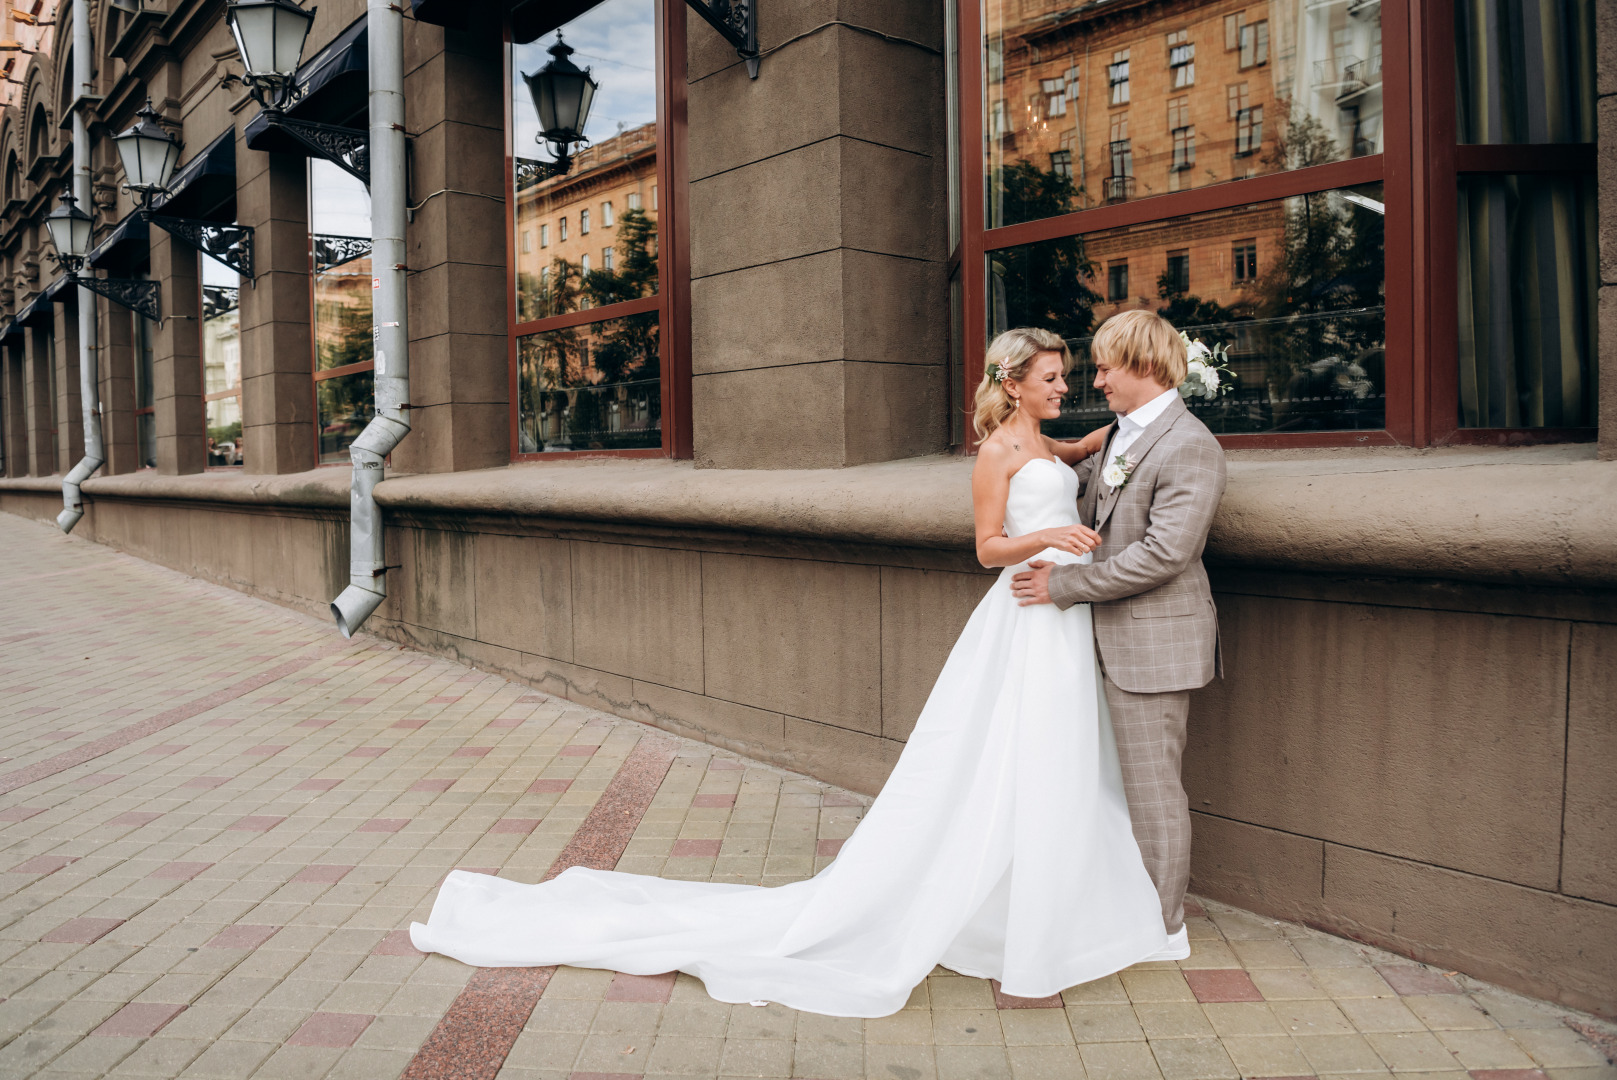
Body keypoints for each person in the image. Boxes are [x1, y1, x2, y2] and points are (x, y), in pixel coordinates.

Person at [409, 326, 1177, 1018]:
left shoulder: (1050, 446)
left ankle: (1037, 910)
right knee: (1012, 755)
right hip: (1023, 608)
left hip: (1061, 616)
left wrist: (1130, 424)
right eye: (1050, 377)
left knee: (1055, 760)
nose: (1063, 387)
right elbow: (984, 548)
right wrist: (1045, 533)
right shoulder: (999, 453)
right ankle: (1002, 924)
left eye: (1067, 378)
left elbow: (1091, 457)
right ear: (1012, 384)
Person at [1011, 309, 1228, 961]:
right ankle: (1112, 910)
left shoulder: (1190, 444)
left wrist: (1063, 586)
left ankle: (1162, 930)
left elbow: (1165, 553)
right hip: (1092, 645)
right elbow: (1086, 501)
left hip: (1151, 648)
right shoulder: (1119, 437)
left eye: (1105, 367)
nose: (1096, 380)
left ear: (1143, 365)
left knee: (1151, 789)